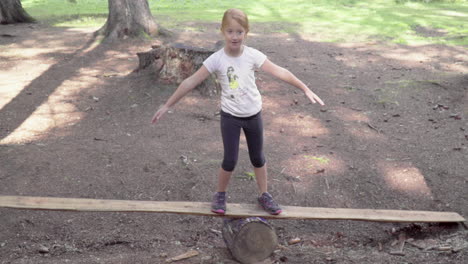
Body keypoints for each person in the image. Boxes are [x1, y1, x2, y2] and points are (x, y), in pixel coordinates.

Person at [151, 8, 324, 215]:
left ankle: (264, 195)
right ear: (223, 32)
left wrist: (305, 88)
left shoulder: (252, 56)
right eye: (230, 31)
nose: (235, 36)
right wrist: (168, 104)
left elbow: (280, 71)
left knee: (258, 158)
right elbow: (190, 81)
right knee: (230, 160)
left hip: (253, 116)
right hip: (230, 117)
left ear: (246, 32)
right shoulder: (216, 59)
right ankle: (220, 194)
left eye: (239, 32)